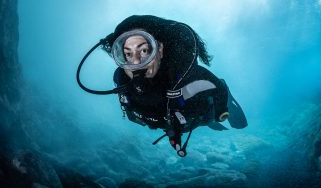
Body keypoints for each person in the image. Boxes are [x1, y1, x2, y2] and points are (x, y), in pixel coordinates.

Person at [77, 15, 247, 157]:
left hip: (199, 114)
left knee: (209, 113)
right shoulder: (120, 79)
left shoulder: (186, 75)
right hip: (174, 122)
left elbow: (216, 87)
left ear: (160, 50)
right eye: (127, 54)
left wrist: (221, 110)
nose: (136, 63)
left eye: (144, 51)